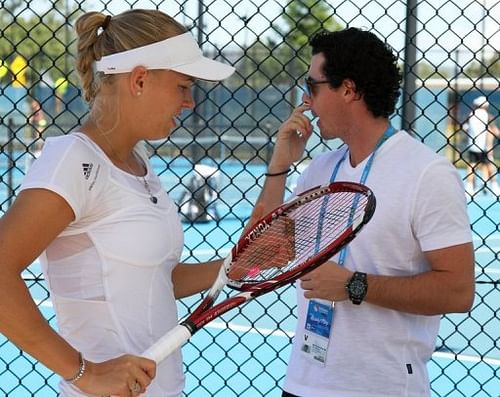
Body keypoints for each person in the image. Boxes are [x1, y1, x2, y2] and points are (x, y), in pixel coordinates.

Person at [0, 9, 236, 397]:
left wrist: (232, 267)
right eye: (183, 86)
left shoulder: (138, 162)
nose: (190, 102)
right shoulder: (74, 161)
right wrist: (85, 374)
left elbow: (155, 280)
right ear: (140, 79)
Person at [253, 27, 475, 397]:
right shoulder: (318, 169)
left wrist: (354, 285)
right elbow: (258, 255)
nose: (306, 101)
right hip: (303, 383)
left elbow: (458, 290)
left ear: (349, 89)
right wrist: (279, 166)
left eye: (313, 85)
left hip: (379, 387)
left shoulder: (426, 173)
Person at [464, 95, 500, 195]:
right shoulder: (488, 116)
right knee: (488, 165)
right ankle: (493, 186)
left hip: (472, 146)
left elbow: (465, 128)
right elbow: (495, 131)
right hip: (485, 147)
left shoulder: (471, 115)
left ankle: (470, 187)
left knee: (471, 165)